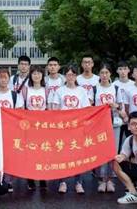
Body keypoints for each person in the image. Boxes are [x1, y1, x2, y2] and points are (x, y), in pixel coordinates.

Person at [52, 65, 91, 194]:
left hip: (78, 127)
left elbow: (86, 109)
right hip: (63, 128)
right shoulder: (59, 90)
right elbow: (55, 110)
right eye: (68, 75)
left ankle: (78, 182)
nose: (70, 77)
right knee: (62, 155)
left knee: (78, 154)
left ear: (76, 76)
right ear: (65, 76)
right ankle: (62, 182)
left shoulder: (82, 91)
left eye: (73, 75)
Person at [93, 63, 125, 193]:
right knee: (101, 151)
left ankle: (111, 179)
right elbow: (90, 106)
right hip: (99, 124)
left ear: (110, 74)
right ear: (99, 74)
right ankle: (101, 179)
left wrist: (115, 106)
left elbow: (121, 107)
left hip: (114, 124)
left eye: (106, 72)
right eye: (102, 73)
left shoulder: (115, 88)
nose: (104, 75)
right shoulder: (94, 88)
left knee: (113, 151)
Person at [16, 66, 49, 191]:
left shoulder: (46, 90)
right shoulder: (25, 90)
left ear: (42, 76)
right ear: (30, 75)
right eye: (34, 73)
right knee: (30, 151)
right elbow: (20, 108)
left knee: (43, 152)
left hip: (43, 126)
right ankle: (30, 178)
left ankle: (42, 178)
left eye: (39, 73)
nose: (36, 75)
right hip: (29, 126)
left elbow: (50, 108)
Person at [113, 61, 134, 149]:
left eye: (125, 69)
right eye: (120, 69)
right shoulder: (113, 85)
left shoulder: (133, 84)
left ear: (129, 70)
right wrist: (121, 113)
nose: (123, 71)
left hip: (131, 117)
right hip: (118, 117)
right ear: (117, 71)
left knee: (132, 143)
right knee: (116, 144)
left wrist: (128, 116)